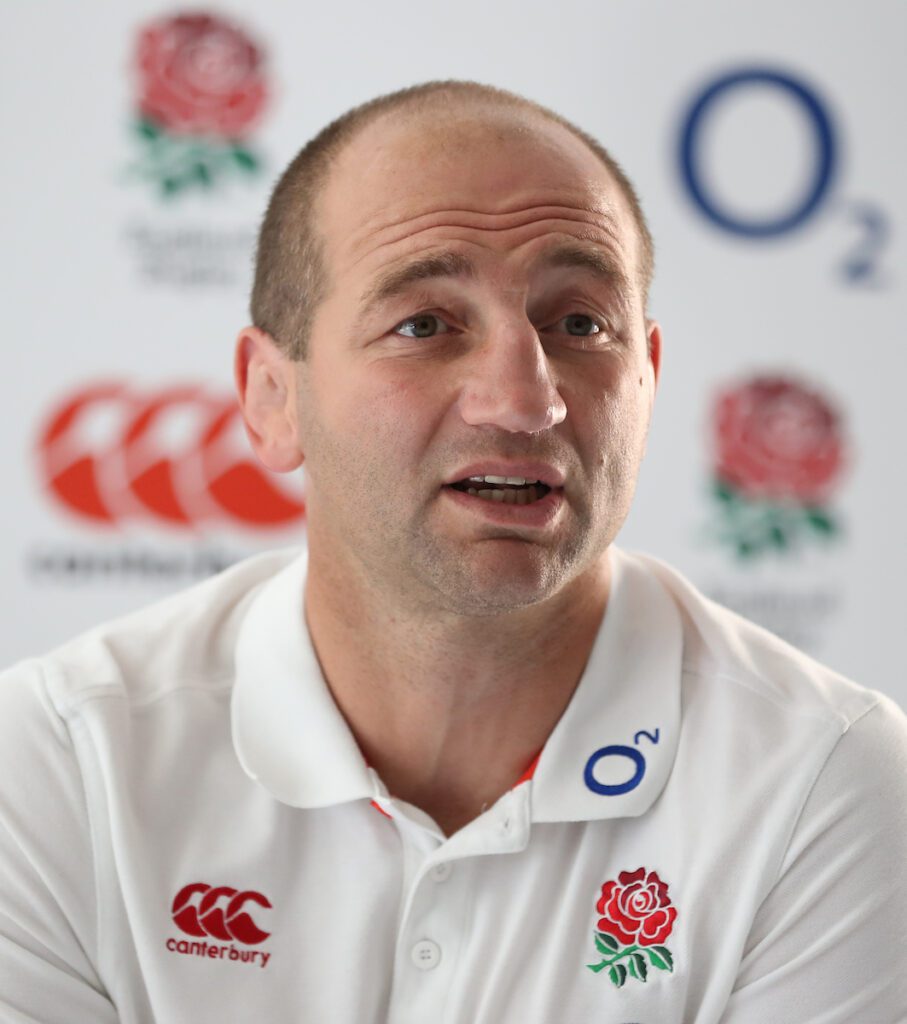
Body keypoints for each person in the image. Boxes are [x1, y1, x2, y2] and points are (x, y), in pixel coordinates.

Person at [1, 80, 905, 1023]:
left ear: (648, 375)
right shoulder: (64, 759)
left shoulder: (823, 781)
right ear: (272, 398)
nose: (524, 400)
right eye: (424, 325)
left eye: (581, 324)